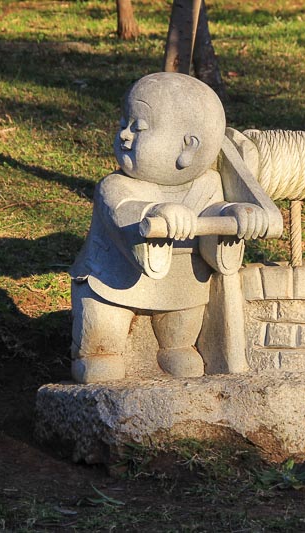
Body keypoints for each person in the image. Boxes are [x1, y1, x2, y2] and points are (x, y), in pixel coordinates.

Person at [69, 72, 268, 383]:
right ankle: (100, 352)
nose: (124, 135)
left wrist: (235, 215)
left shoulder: (208, 183)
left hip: (179, 287)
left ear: (187, 147)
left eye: (139, 128)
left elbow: (215, 214)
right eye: (124, 124)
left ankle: (175, 346)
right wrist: (157, 211)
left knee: (185, 353)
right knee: (103, 347)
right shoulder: (115, 185)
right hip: (113, 282)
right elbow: (125, 214)